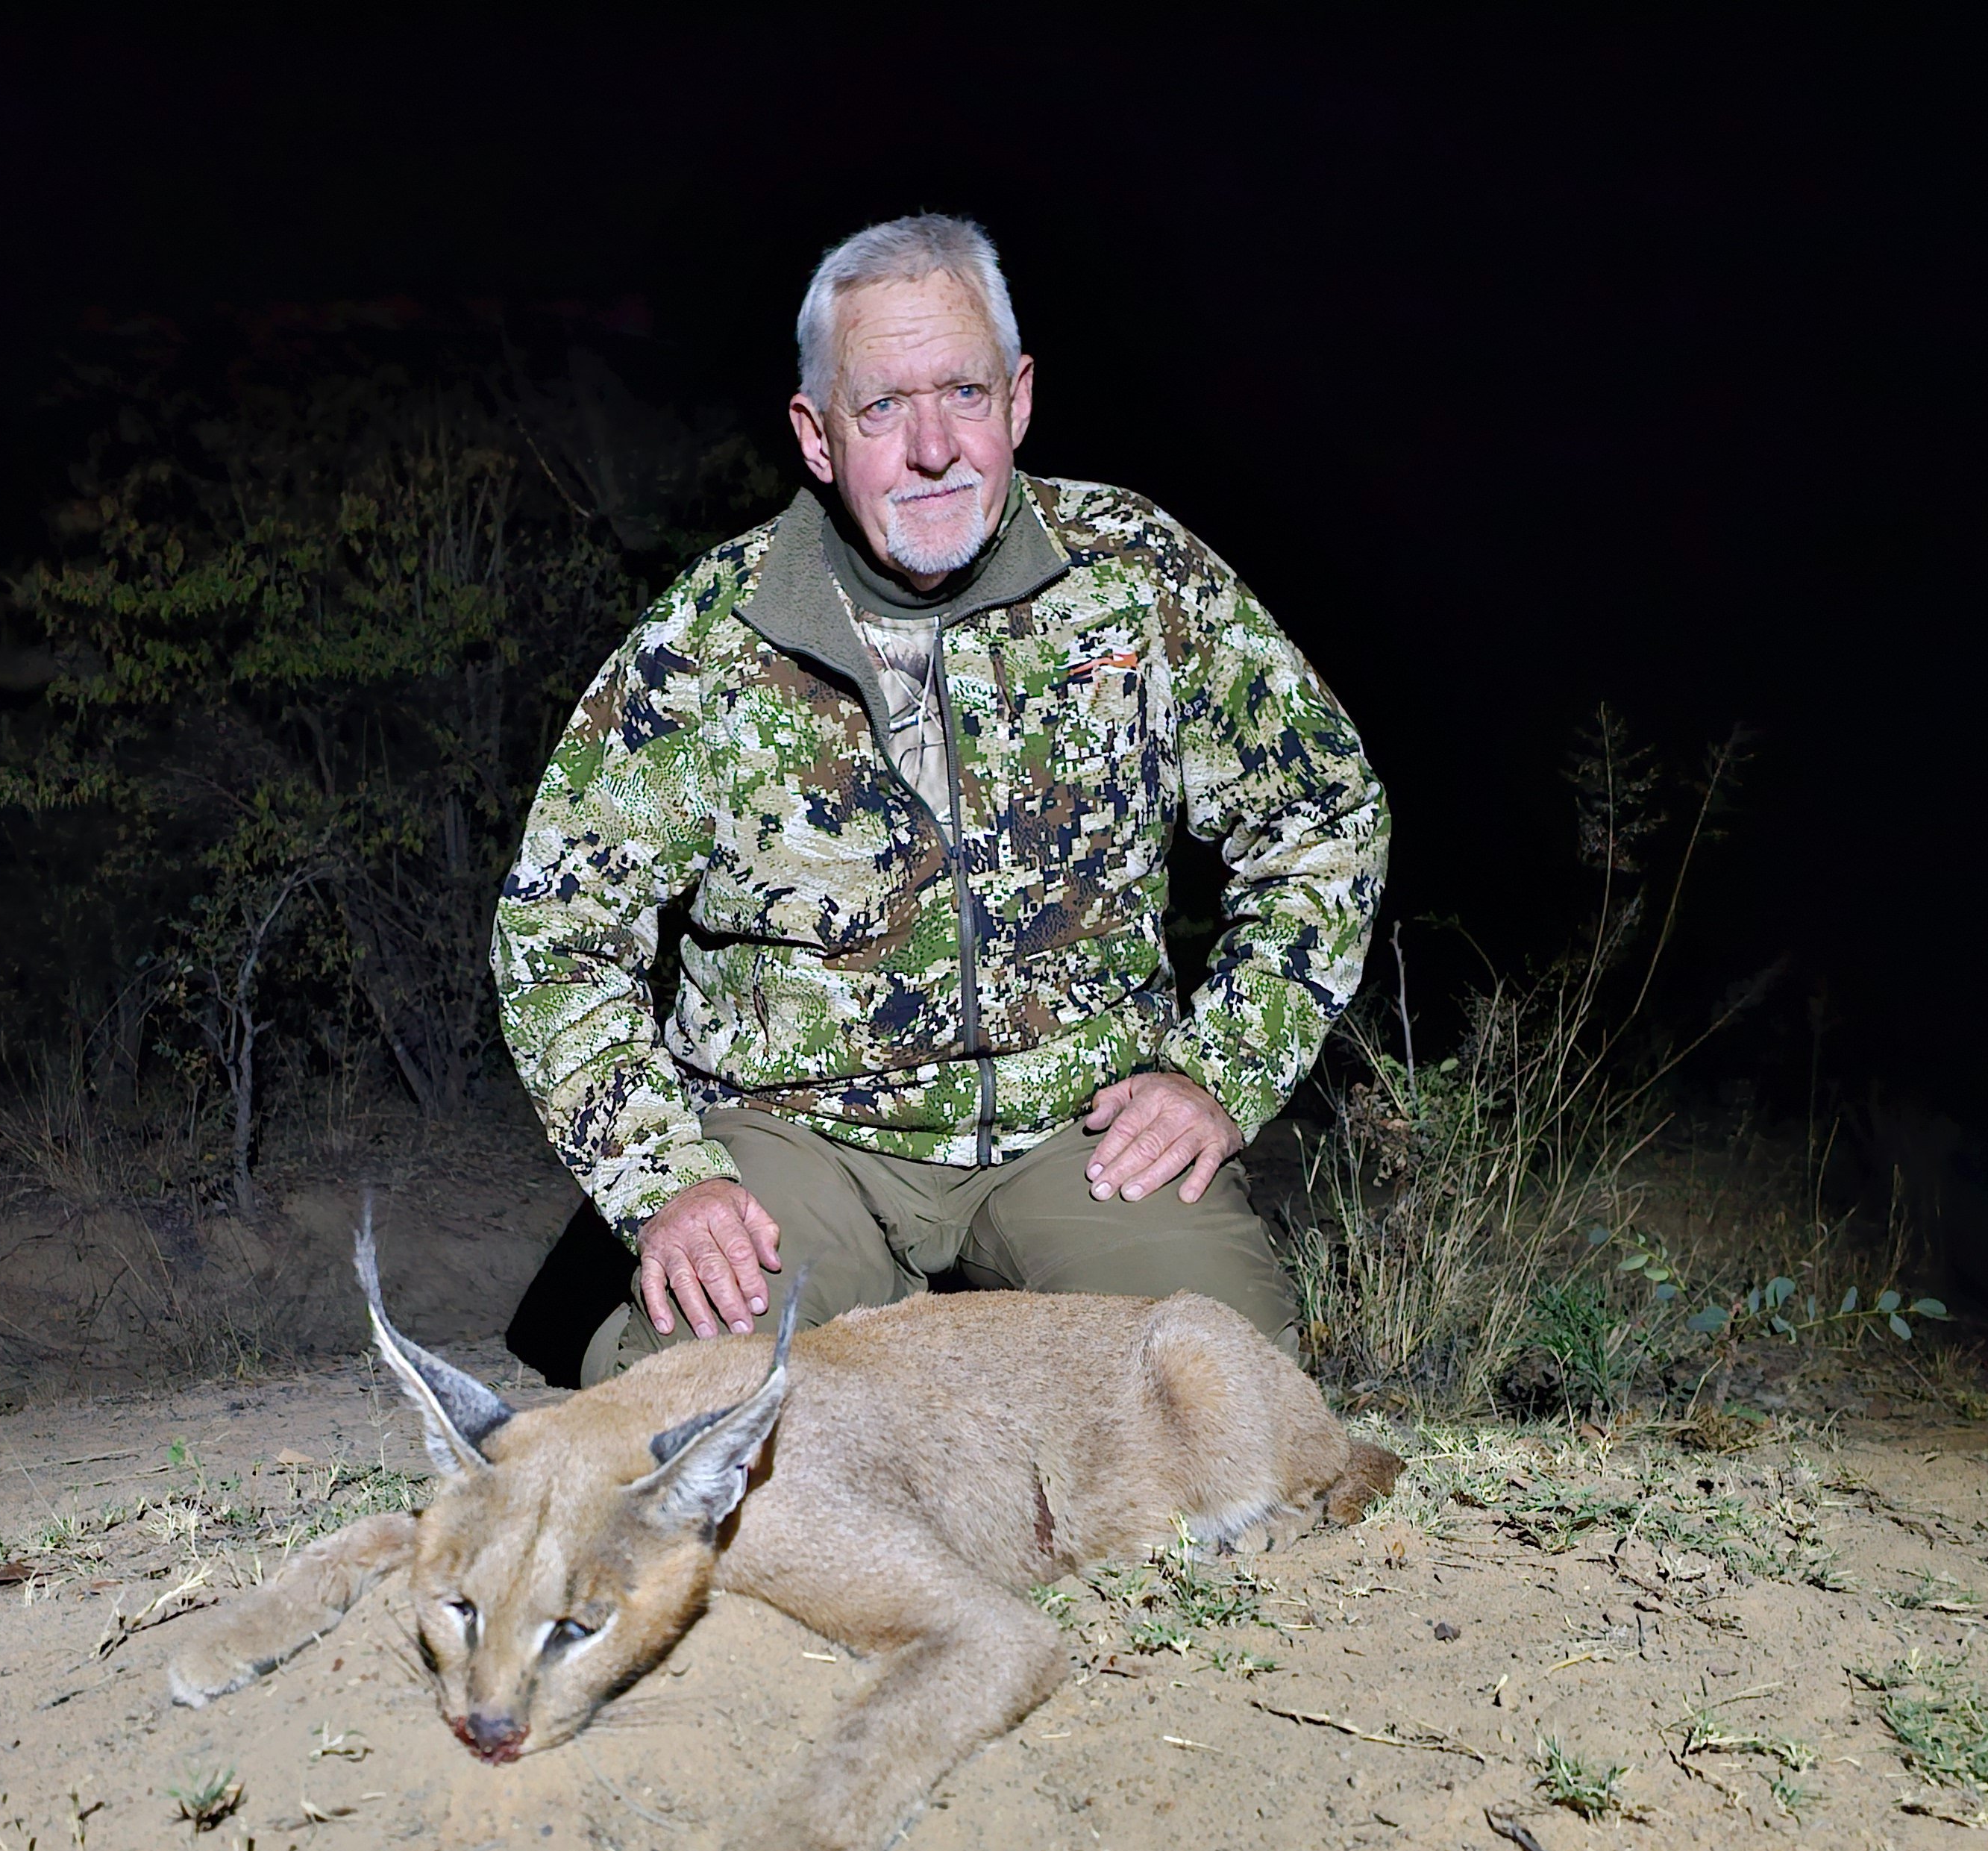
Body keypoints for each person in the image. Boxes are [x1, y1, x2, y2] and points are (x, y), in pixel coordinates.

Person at [492, 214, 1388, 1388]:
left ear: (1017, 401)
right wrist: (668, 1182)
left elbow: (1325, 815)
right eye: (882, 408)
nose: (932, 448)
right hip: (799, 1138)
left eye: (963, 393)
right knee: (697, 1425)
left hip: (1083, 1126)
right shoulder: (705, 638)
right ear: (817, 436)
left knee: (1232, 1408)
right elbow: (558, 930)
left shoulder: (1139, 578)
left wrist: (1220, 1068)